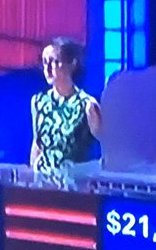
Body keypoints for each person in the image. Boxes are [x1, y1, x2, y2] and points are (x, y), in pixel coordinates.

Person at [29, 36, 102, 174]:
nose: (47, 68)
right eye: (44, 62)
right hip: (43, 179)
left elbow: (107, 147)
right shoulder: (39, 102)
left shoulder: (86, 105)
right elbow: (37, 144)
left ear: (71, 64)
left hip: (74, 181)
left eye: (54, 62)